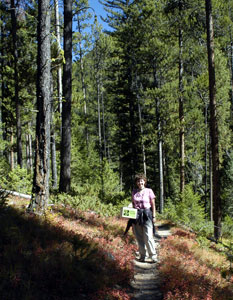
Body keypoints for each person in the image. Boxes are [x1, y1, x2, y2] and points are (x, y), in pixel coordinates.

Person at [131, 173, 157, 263]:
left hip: (147, 214)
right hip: (137, 215)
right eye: (138, 181)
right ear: (136, 182)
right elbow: (133, 204)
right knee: (139, 237)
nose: (140, 182)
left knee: (148, 236)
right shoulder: (134, 192)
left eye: (141, 180)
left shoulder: (149, 191)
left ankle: (153, 256)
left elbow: (153, 204)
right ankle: (142, 256)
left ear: (144, 181)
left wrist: (154, 216)